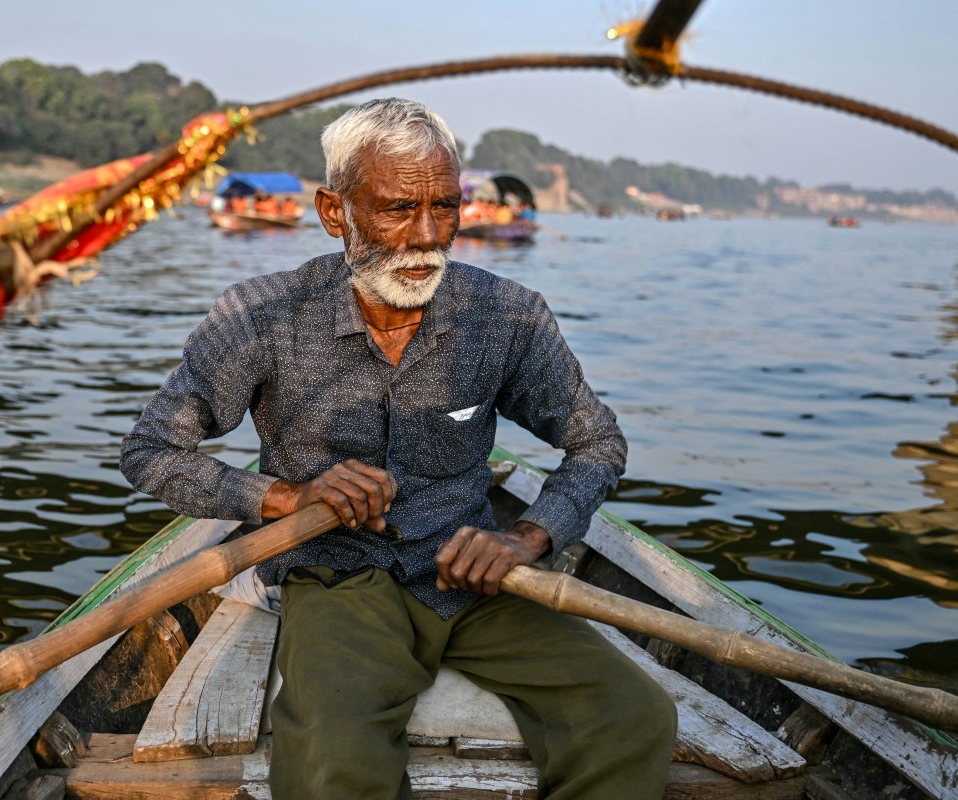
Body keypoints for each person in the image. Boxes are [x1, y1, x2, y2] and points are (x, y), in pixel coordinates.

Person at [120, 97, 676, 800]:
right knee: (333, 760)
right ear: (334, 212)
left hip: (474, 577)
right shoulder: (261, 315)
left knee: (634, 719)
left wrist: (529, 537)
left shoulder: (506, 315)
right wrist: (288, 496)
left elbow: (596, 441)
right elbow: (150, 451)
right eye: (395, 209)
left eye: (444, 207)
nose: (425, 237)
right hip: (335, 576)